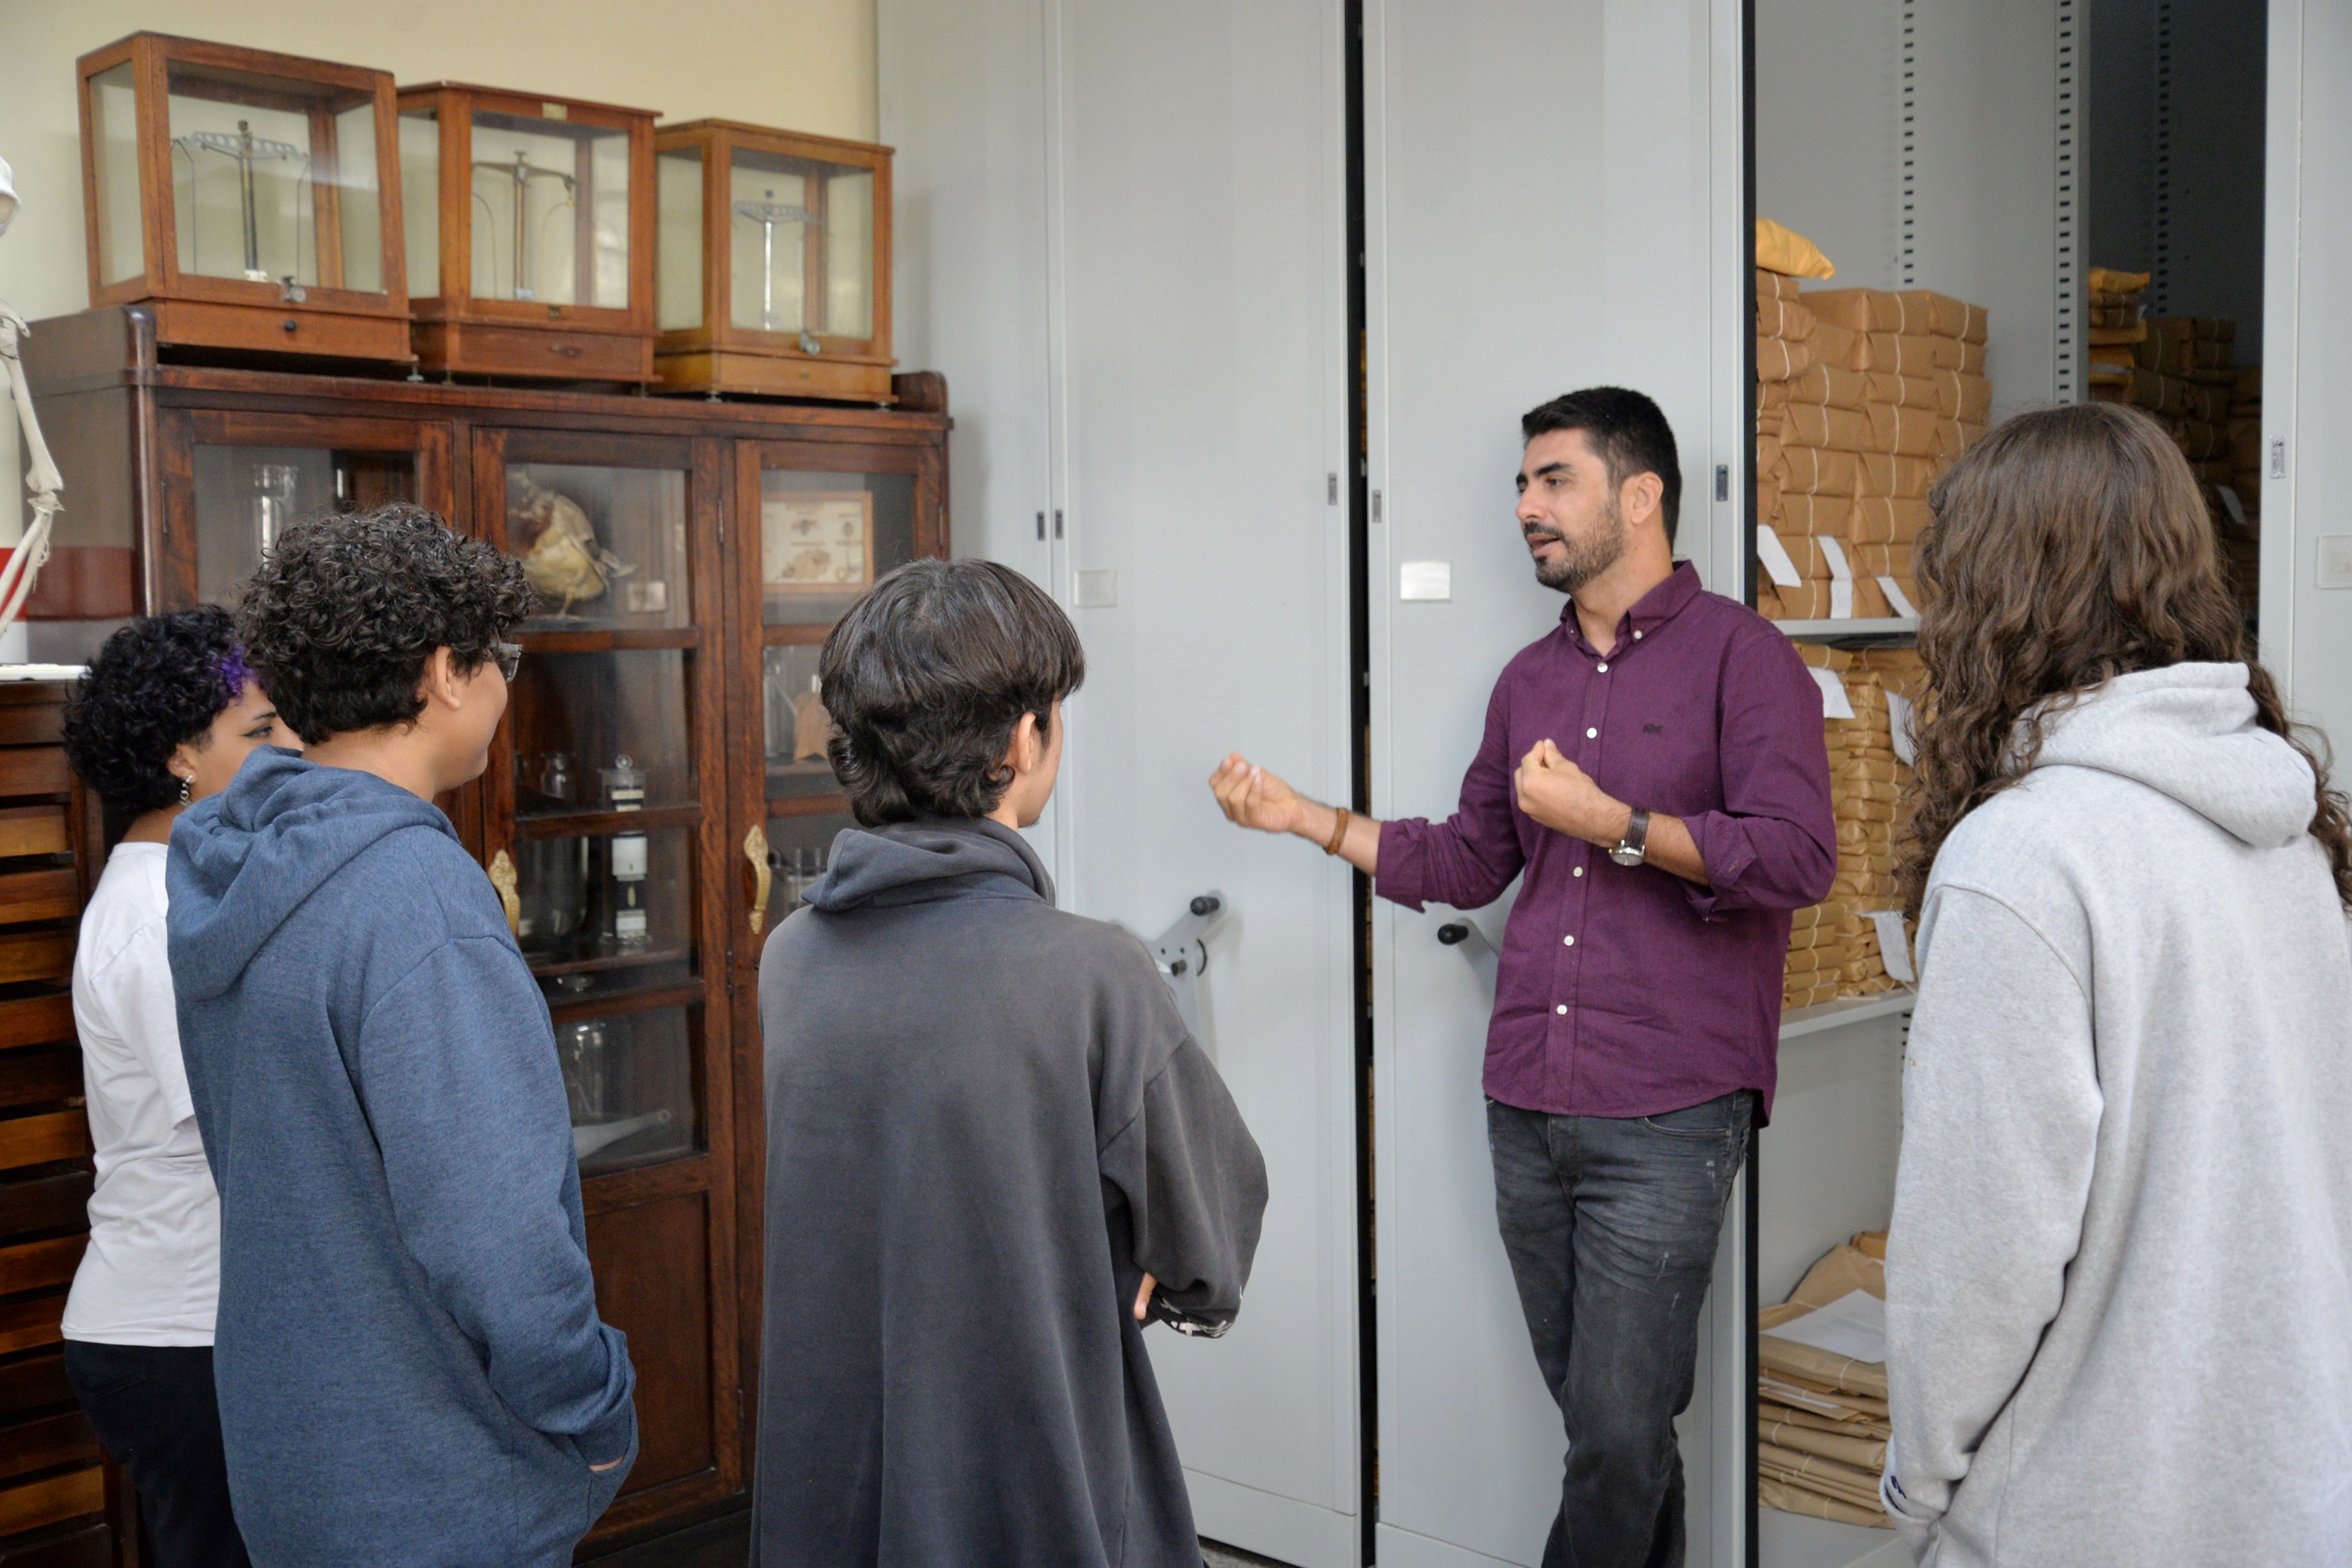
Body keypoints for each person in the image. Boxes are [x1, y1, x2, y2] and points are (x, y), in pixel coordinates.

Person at [1211, 386, 1836, 1567]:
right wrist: (1306, 818)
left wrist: (1616, 823)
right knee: (1612, 1430)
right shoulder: (1527, 682)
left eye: (1555, 480)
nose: (1526, 507)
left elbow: (1798, 857)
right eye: (1521, 484)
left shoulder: (1745, 659)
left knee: (1616, 1435)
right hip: (1528, 1102)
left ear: (1639, 496)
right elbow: (1469, 859)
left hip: (1670, 1107)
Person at [1879, 402, 2352, 1566]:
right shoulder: (2285, 818)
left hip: (2088, 1504)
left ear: (1993, 594)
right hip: (2289, 1479)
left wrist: (1920, 1480)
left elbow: (1980, 1252)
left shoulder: (2021, 857)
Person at [753, 558, 1268, 1567]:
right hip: (1029, 1481)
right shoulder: (1092, 972)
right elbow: (1207, 1235)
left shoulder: (791, 957)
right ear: (1023, 740)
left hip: (834, 1485)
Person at [167, 505, 637, 1566]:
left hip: (295, 1459)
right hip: (438, 1478)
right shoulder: (416, 896)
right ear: (443, 675)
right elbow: (499, 1244)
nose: (506, 685)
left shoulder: (229, 864)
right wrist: (595, 1408)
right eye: (500, 658)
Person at [57, 608, 293, 1567]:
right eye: (260, 730)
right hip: (175, 1334)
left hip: (195, 1326)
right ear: (179, 757)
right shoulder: (155, 916)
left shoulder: (183, 887)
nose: (288, 748)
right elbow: (242, 1128)